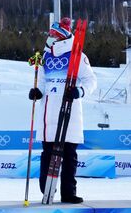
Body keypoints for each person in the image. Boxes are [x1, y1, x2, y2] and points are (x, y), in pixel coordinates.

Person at [28, 17, 96, 204]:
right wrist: (37, 92)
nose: (50, 37)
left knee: (69, 155)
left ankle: (68, 192)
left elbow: (91, 81)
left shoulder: (78, 56)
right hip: (48, 113)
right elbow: (42, 81)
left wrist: (79, 91)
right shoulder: (46, 56)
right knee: (47, 154)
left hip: (69, 112)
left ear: (62, 37)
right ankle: (46, 190)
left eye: (54, 35)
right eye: (50, 34)